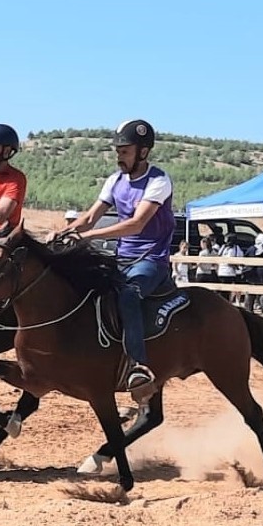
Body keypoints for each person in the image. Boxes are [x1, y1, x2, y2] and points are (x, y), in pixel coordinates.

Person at [61, 119, 173, 394]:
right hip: (122, 258)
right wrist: (66, 232)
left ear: (143, 152)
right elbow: (89, 217)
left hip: (151, 260)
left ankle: (138, 365)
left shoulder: (158, 181)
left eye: (125, 151)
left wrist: (88, 237)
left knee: (128, 294)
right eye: (118, 151)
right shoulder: (115, 180)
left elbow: (136, 224)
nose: (119, 156)